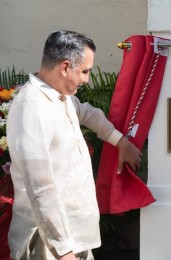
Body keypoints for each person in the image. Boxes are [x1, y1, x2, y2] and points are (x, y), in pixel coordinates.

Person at [7, 30, 142, 260]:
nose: (87, 79)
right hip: (47, 243)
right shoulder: (32, 107)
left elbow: (89, 113)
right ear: (65, 66)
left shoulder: (61, 97)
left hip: (73, 238)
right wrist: (63, 250)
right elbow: (39, 187)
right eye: (85, 71)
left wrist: (121, 142)